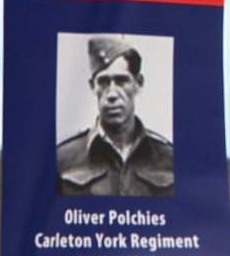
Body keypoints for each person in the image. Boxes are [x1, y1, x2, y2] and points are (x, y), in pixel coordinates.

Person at [56, 36, 174, 196]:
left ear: (138, 83)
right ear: (92, 87)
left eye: (121, 81)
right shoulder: (63, 159)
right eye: (103, 82)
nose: (112, 94)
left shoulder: (169, 158)